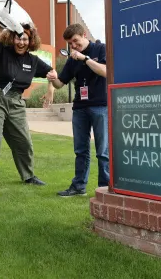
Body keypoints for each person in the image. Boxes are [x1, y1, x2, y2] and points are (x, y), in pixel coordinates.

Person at [0, 23, 54, 198]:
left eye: (25, 38)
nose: (21, 42)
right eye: (18, 37)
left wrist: (50, 89)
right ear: (12, 38)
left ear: (30, 40)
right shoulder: (1, 50)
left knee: (24, 141)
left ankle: (28, 176)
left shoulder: (32, 60)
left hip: (16, 101)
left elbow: (52, 73)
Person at [45, 24, 109, 197]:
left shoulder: (100, 48)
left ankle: (105, 189)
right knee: (80, 150)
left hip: (100, 106)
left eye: (75, 41)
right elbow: (61, 83)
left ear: (84, 35)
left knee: (103, 151)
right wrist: (52, 79)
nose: (73, 46)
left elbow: (106, 71)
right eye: (70, 43)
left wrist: (85, 58)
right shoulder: (72, 59)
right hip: (80, 107)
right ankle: (78, 186)